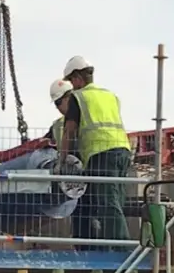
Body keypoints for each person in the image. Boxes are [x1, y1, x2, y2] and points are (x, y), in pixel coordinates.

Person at [55, 56, 132, 245]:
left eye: (72, 81)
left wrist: (62, 161)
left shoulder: (79, 97)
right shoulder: (110, 95)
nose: (72, 86)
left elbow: (69, 131)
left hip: (100, 152)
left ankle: (119, 250)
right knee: (115, 201)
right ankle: (111, 246)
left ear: (78, 78)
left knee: (107, 204)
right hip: (122, 150)